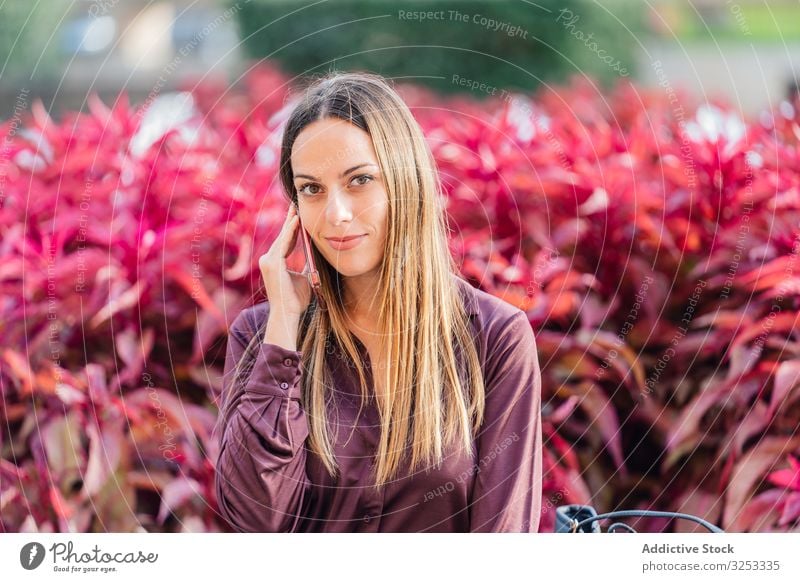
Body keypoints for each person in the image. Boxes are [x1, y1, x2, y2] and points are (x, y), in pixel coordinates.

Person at [211, 70, 543, 532]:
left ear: (406, 182)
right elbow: (253, 520)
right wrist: (284, 332)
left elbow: (502, 537)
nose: (336, 214)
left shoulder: (494, 338)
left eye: (360, 180)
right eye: (311, 189)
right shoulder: (262, 337)